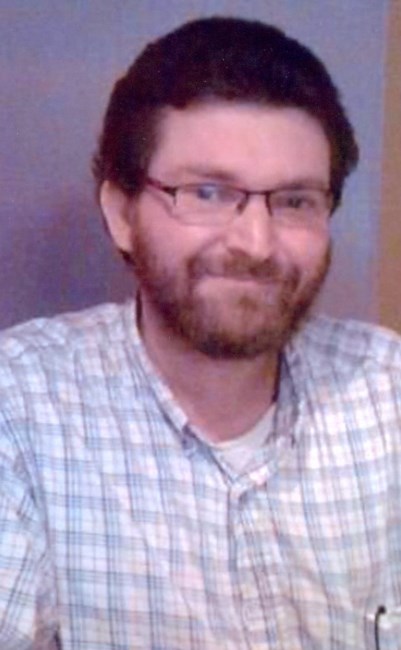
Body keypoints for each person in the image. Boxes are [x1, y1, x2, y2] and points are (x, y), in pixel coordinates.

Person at [0, 15, 400, 650]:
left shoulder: (388, 392)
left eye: (294, 201)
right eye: (207, 193)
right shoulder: (21, 409)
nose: (256, 243)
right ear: (121, 213)